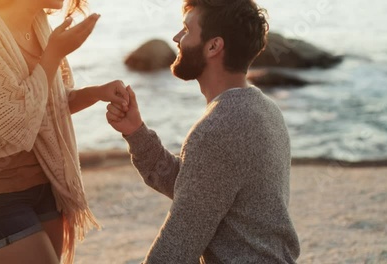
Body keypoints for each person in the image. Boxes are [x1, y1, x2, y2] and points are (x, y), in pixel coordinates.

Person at [106, 0, 300, 263]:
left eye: (186, 30)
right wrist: (136, 132)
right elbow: (200, 190)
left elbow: (177, 245)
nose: (176, 38)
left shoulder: (219, 127)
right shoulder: (265, 108)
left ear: (213, 46)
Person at [0, 0, 129, 263]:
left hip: (45, 185)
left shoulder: (40, 25)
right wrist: (53, 53)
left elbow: (49, 104)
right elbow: (15, 125)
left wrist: (97, 93)